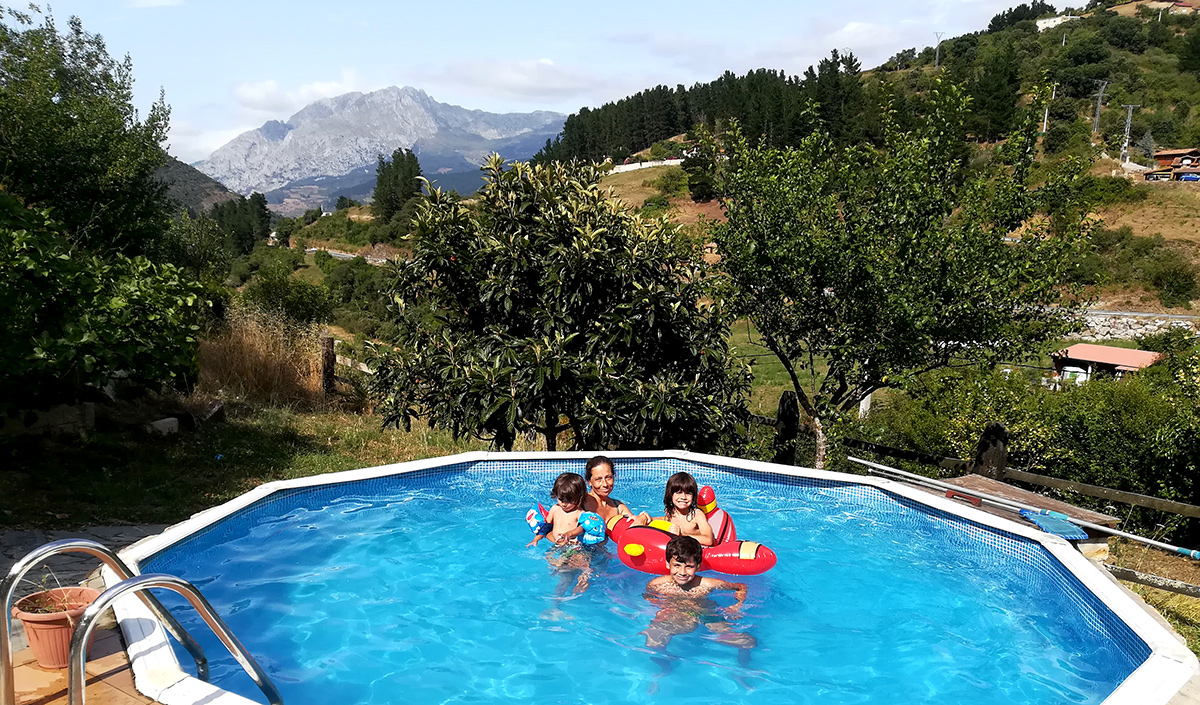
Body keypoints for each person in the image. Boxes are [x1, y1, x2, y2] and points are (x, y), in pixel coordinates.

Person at [641, 535, 756, 655]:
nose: (682, 572)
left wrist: (737, 606)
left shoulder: (708, 584)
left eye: (689, 567)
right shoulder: (657, 585)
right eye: (677, 565)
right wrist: (662, 606)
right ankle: (665, 664)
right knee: (653, 643)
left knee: (747, 642)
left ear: (698, 566)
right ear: (668, 564)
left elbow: (741, 587)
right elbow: (648, 596)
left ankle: (744, 663)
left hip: (706, 614)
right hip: (677, 616)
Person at [582, 455, 651, 528]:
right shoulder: (580, 504)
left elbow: (635, 527)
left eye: (608, 477)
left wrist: (644, 517)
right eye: (598, 479)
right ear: (589, 481)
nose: (605, 484)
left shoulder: (619, 508)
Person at [527, 472, 588, 547]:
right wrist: (536, 539)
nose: (564, 504)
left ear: (579, 498)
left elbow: (582, 528)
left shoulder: (579, 513)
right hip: (556, 544)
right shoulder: (555, 509)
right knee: (548, 557)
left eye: (569, 500)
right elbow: (546, 527)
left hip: (572, 546)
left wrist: (569, 534)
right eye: (561, 499)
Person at [656, 471, 714, 546]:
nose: (683, 497)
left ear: (693, 496)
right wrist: (646, 517)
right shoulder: (670, 512)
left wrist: (682, 534)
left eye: (688, 493)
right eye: (679, 492)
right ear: (670, 495)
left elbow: (708, 540)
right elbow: (663, 519)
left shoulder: (696, 515)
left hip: (692, 550)